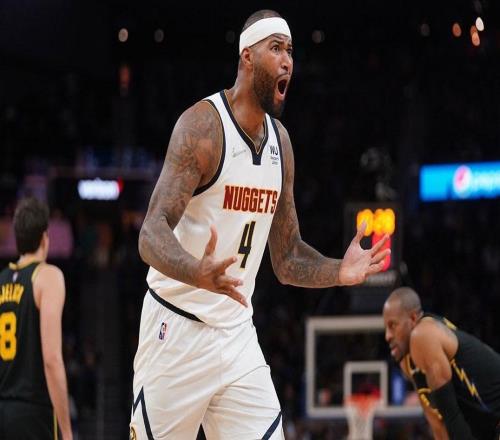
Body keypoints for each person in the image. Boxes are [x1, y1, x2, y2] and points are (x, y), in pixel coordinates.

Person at [130, 9, 390, 440]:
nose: (287, 60)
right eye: (276, 48)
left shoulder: (280, 143)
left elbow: (287, 258)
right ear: (247, 57)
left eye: (291, 51)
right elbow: (150, 233)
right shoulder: (203, 127)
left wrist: (339, 271)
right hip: (175, 329)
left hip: (236, 335)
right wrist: (197, 272)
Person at [383, 287, 500, 440]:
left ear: (412, 319)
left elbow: (451, 415)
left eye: (393, 325)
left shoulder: (423, 334)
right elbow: (439, 426)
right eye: (386, 328)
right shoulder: (407, 363)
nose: (387, 336)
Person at [0, 197, 72, 440]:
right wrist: (67, 431)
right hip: (33, 411)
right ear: (44, 238)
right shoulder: (47, 276)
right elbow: (51, 359)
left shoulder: (1, 280)